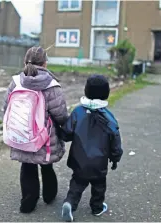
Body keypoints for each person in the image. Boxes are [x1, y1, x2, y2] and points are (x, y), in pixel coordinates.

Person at [2, 46, 69, 214]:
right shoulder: (51, 85)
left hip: (22, 134)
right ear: (45, 63)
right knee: (47, 167)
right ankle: (49, 196)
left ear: (25, 61)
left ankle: (28, 203)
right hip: (44, 137)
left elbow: (6, 108)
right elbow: (60, 114)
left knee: (27, 167)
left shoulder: (16, 82)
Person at [60, 74, 123, 222]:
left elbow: (67, 133)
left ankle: (69, 203)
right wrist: (115, 158)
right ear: (106, 93)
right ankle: (97, 208)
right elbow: (115, 140)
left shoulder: (78, 112)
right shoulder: (109, 118)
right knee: (99, 186)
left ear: (86, 90)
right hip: (99, 162)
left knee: (77, 183)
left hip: (79, 159)